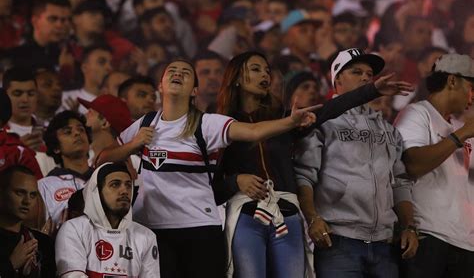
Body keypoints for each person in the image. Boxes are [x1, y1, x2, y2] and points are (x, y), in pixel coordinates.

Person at [97, 59, 318, 278]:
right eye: (172, 71)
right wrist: (133, 144)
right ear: (160, 86)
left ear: (194, 90)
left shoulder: (207, 124)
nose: (178, 73)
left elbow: (253, 131)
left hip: (200, 229)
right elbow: (103, 159)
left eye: (186, 72)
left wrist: (291, 122)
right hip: (152, 229)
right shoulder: (145, 123)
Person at [214, 51, 414, 278]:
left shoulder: (287, 118)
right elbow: (211, 190)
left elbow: (327, 110)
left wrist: (373, 90)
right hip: (249, 216)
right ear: (236, 78)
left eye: (267, 71)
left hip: (287, 216)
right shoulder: (219, 125)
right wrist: (236, 181)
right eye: (256, 69)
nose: (265, 75)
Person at [294, 48, 418, 278]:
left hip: (384, 243)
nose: (364, 78)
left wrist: (408, 225)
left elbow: (400, 182)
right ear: (337, 78)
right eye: (356, 71)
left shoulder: (387, 129)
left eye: (369, 74)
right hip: (338, 241)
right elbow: (304, 176)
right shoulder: (321, 122)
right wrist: (313, 218)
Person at [394, 53, 474, 278]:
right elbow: (413, 163)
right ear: (452, 81)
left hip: (465, 242)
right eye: (471, 87)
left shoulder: (460, 125)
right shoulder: (417, 113)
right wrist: (462, 135)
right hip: (429, 236)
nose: (473, 96)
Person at [55, 162, 160, 277]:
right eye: (115, 184)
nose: (124, 191)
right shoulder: (74, 229)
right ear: (96, 192)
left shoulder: (146, 236)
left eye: (128, 185)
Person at [39, 110, 93, 229]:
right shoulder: (45, 186)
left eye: (81, 130)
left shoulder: (104, 178)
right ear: (56, 148)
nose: (77, 133)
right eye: (68, 132)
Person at [0, 165, 56, 278]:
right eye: (20, 193)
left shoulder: (43, 242)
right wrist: (11, 264)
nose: (27, 201)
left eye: (33, 195)